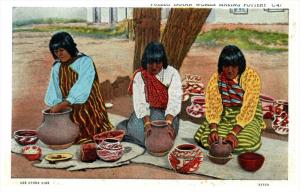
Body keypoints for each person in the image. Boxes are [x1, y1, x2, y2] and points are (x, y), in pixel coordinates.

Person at [44, 31, 114, 144]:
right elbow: (54, 88)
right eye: (56, 51)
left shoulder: (85, 61)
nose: (59, 54)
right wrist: (56, 105)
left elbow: (83, 86)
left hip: (87, 106)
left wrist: (65, 103)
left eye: (62, 50)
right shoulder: (57, 66)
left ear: (69, 47)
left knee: (87, 134)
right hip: (67, 108)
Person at [194, 45, 266, 154]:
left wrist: (233, 133)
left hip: (248, 114)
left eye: (234, 66)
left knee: (245, 142)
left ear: (240, 66)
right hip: (225, 113)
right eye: (226, 66)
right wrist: (213, 129)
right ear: (221, 66)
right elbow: (213, 106)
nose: (230, 70)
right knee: (209, 139)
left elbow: (249, 108)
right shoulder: (217, 79)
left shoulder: (251, 76)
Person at [117, 42, 182, 147]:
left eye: (158, 62)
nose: (154, 67)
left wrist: (168, 124)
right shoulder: (140, 76)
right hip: (147, 113)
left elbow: (174, 100)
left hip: (168, 115)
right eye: (151, 63)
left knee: (162, 137)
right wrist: (147, 124)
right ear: (145, 62)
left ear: (163, 61)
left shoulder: (172, 73)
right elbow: (140, 103)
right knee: (141, 132)